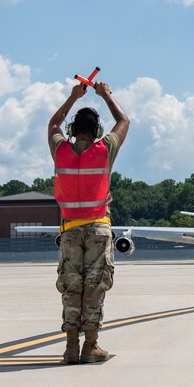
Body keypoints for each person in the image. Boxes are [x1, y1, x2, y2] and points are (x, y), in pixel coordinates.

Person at [48, 81, 129, 364]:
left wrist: (72, 97)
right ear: (96, 131)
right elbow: (123, 120)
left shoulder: (60, 151)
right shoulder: (104, 149)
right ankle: (91, 346)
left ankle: (71, 347)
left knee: (72, 286)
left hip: (69, 230)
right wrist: (106, 94)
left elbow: (53, 124)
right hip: (97, 228)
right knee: (95, 286)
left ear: (72, 130)